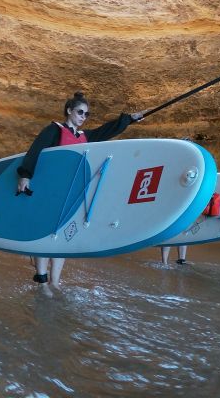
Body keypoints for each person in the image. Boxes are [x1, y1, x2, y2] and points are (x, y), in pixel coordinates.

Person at [16, 91, 145, 291]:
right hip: (51, 190)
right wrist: (25, 175)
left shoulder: (85, 136)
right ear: (69, 110)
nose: (83, 117)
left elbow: (106, 131)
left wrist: (129, 119)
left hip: (72, 193)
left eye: (87, 114)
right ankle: (42, 279)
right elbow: (35, 151)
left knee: (64, 235)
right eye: (80, 112)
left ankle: (55, 282)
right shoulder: (54, 130)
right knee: (47, 231)